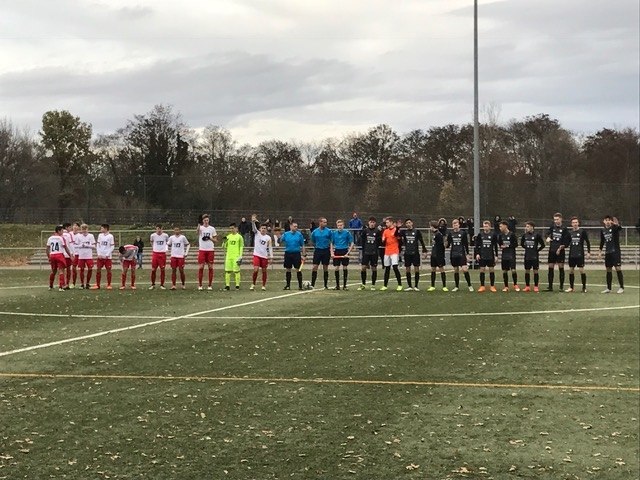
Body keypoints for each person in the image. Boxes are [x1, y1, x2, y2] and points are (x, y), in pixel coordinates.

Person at [398, 218, 427, 291]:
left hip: (415, 253)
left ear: (412, 223)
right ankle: (409, 286)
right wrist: (398, 227)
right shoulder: (404, 232)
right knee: (408, 269)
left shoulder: (417, 231)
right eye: (407, 223)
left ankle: (416, 286)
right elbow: (396, 235)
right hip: (407, 253)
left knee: (416, 269)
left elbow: (421, 241)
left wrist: (424, 250)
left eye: (409, 222)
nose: (408, 224)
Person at [545, 212, 571, 291]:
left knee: (561, 268)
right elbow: (547, 234)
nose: (556, 221)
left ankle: (561, 287)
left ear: (561, 219)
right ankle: (550, 286)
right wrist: (547, 237)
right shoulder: (552, 227)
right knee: (550, 267)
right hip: (552, 250)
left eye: (557, 219)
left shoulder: (564, 229)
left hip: (560, 251)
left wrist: (561, 248)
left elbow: (567, 241)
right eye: (555, 220)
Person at [599, 215, 624, 294]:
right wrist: (600, 251)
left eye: (609, 220)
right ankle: (608, 288)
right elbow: (602, 241)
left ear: (611, 221)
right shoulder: (603, 230)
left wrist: (617, 224)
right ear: (604, 221)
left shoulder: (614, 228)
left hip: (615, 252)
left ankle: (621, 287)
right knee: (608, 269)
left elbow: (620, 228)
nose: (607, 221)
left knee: (618, 268)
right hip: (608, 252)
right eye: (606, 220)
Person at [447, 218, 473, 292]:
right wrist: (446, 244)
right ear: (452, 226)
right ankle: (456, 286)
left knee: (465, 269)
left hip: (461, 254)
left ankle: (470, 285)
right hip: (453, 254)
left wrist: (467, 254)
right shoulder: (450, 234)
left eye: (456, 224)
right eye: (454, 224)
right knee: (456, 270)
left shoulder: (463, 233)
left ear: (459, 225)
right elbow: (448, 245)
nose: (455, 226)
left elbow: (466, 244)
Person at [566, 216, 591, 293]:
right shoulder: (569, 233)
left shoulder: (582, 232)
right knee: (571, 270)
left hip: (580, 254)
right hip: (572, 254)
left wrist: (588, 252)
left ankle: (584, 287)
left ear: (578, 223)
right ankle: (571, 287)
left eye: (576, 222)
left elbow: (587, 241)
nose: (575, 224)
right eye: (573, 223)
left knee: (581, 270)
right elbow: (567, 243)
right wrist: (561, 246)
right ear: (571, 224)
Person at [279, 221, 306, 290]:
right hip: (288, 253)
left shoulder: (299, 235)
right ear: (291, 226)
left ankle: (300, 286)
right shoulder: (286, 234)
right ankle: (288, 285)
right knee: (288, 269)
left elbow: (303, 245)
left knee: (298, 269)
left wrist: (304, 255)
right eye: (294, 226)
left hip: (296, 253)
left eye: (296, 226)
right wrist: (278, 236)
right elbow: (280, 241)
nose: (296, 228)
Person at [330, 219, 355, 290]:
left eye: (341, 225)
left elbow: (352, 243)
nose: (339, 227)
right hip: (337, 251)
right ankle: (337, 285)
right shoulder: (334, 233)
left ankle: (345, 285)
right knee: (336, 267)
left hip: (344, 250)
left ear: (343, 226)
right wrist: (332, 252)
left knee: (345, 267)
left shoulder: (347, 233)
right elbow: (332, 243)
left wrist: (348, 252)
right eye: (338, 225)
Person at [520, 221, 545, 292]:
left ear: (532, 227)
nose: (526, 228)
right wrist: (527, 248)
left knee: (535, 271)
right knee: (527, 271)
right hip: (527, 256)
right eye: (526, 227)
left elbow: (543, 245)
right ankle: (527, 286)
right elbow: (522, 244)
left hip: (534, 256)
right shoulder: (525, 235)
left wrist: (537, 250)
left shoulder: (537, 235)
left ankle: (536, 286)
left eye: (528, 226)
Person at [474, 220, 498, 292]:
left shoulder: (493, 235)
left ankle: (492, 286)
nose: (485, 228)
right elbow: (477, 245)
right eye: (484, 226)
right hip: (482, 255)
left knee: (491, 270)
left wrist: (496, 255)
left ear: (490, 227)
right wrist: (477, 254)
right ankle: (482, 286)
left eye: (487, 226)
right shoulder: (480, 235)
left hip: (490, 255)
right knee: (482, 270)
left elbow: (495, 246)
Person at [358, 216, 382, 290]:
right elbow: (362, 240)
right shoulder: (365, 231)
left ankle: (373, 285)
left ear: (375, 223)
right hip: (366, 252)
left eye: (373, 222)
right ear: (368, 223)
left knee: (374, 268)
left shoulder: (377, 231)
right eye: (371, 222)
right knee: (363, 268)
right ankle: (363, 284)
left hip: (374, 253)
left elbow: (379, 241)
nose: (372, 224)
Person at [250, 217, 273, 290]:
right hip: (257, 255)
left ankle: (263, 285)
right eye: (262, 228)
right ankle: (253, 284)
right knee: (256, 269)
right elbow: (254, 229)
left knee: (264, 270)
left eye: (264, 228)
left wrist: (271, 257)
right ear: (260, 229)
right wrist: (253, 222)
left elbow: (270, 247)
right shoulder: (257, 234)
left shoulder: (268, 238)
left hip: (264, 256)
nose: (263, 229)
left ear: (266, 230)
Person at [380, 217, 403, 291]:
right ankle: (385, 285)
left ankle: (400, 284)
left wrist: (398, 228)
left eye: (387, 222)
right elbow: (383, 241)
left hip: (394, 251)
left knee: (395, 267)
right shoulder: (385, 231)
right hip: (387, 252)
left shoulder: (396, 230)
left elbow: (399, 238)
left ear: (391, 222)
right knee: (387, 268)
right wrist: (383, 240)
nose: (386, 224)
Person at [46, 225, 71, 291]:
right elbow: (65, 247)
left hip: (52, 255)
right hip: (59, 255)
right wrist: (70, 255)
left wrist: (49, 257)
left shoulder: (50, 238)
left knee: (53, 271)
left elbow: (47, 248)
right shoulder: (61, 238)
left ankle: (50, 286)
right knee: (61, 270)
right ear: (58, 231)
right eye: (62, 230)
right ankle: (61, 286)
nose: (63, 232)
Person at [309, 217, 332, 289]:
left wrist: (331, 249)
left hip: (326, 250)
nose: (325, 224)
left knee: (325, 267)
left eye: (326, 222)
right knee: (315, 266)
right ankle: (312, 284)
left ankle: (325, 285)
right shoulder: (315, 232)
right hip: (318, 250)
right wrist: (315, 246)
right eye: (324, 222)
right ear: (320, 223)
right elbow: (312, 241)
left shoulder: (328, 231)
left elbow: (331, 241)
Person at [197, 214, 218, 291]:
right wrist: (199, 225)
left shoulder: (212, 229)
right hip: (202, 250)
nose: (206, 221)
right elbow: (197, 232)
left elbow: (215, 240)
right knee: (201, 267)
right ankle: (200, 285)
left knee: (210, 267)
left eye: (207, 220)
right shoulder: (201, 228)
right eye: (205, 220)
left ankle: (209, 285)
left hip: (210, 250)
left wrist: (210, 238)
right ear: (202, 221)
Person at [497, 221, 519, 292]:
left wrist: (508, 246)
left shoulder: (512, 234)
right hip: (504, 255)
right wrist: (501, 246)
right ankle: (506, 286)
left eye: (501, 226)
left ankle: (515, 285)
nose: (500, 228)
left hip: (511, 254)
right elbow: (500, 243)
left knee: (513, 270)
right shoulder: (500, 235)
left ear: (505, 226)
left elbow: (516, 244)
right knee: (504, 271)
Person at [92, 223, 115, 290]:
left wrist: (107, 255)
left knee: (108, 270)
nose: (101, 229)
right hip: (100, 256)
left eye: (102, 228)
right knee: (98, 269)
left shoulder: (110, 236)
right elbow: (98, 245)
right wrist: (99, 254)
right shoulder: (100, 235)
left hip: (107, 257)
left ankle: (109, 284)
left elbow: (112, 246)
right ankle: (97, 285)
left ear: (105, 228)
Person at [428, 220, 448, 292]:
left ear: (432, 226)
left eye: (430, 226)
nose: (430, 228)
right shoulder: (434, 234)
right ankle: (432, 286)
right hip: (433, 255)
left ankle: (444, 286)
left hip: (439, 255)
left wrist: (441, 255)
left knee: (441, 269)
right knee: (433, 269)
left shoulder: (439, 234)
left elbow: (441, 246)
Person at [222, 223, 244, 290]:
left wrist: (240, 256)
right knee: (228, 271)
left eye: (232, 228)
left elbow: (241, 247)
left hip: (236, 256)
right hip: (229, 256)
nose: (231, 230)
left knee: (236, 271)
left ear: (236, 228)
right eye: (230, 228)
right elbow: (223, 246)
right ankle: (227, 285)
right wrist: (224, 241)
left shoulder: (239, 237)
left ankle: (237, 285)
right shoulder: (228, 236)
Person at [75, 223, 96, 289]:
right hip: (81, 255)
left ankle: (87, 283)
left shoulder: (91, 236)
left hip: (88, 255)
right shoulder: (78, 236)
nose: (84, 230)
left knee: (90, 268)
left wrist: (87, 245)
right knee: (81, 269)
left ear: (87, 229)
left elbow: (94, 246)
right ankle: (82, 284)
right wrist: (81, 245)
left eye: (85, 229)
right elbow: (75, 245)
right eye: (83, 229)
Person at [149, 223, 169, 290]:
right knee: (153, 269)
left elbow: (167, 242)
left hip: (162, 254)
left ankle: (162, 284)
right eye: (157, 229)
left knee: (162, 269)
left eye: (160, 229)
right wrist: (153, 248)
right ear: (156, 229)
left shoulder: (165, 235)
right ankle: (153, 284)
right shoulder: (153, 235)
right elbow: (151, 241)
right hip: (155, 254)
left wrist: (166, 249)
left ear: (162, 229)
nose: (159, 230)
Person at [61, 222, 74, 289]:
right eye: (70, 227)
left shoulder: (59, 234)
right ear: (66, 227)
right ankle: (67, 284)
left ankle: (62, 284)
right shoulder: (69, 235)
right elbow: (71, 245)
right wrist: (72, 254)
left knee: (62, 270)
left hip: (61, 254)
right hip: (67, 254)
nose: (71, 228)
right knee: (68, 269)